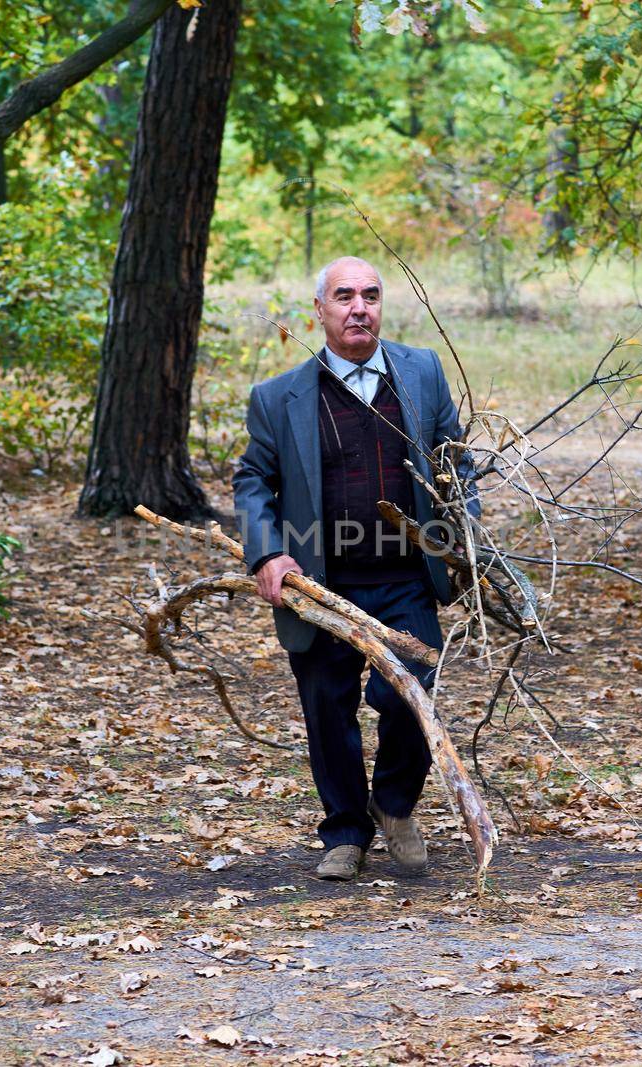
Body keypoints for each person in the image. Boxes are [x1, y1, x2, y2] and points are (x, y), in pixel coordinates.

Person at [232, 255, 477, 881]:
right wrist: (266, 552)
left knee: (410, 694)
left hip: (405, 575)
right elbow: (254, 479)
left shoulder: (420, 371)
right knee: (326, 710)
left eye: (370, 295)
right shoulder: (278, 397)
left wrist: (466, 538)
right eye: (344, 296)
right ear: (320, 311)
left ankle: (393, 806)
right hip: (318, 581)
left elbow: (455, 464)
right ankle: (344, 833)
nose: (358, 307)